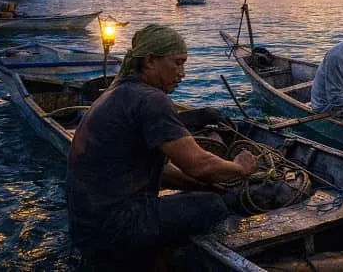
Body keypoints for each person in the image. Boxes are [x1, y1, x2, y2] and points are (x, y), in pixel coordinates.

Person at [67, 24, 258, 271]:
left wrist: (198, 185)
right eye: (177, 63)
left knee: (203, 193)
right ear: (150, 61)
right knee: (212, 205)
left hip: (86, 229)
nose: (183, 73)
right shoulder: (150, 100)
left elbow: (161, 172)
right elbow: (198, 165)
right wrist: (240, 168)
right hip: (117, 228)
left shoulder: (115, 93)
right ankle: (170, 260)